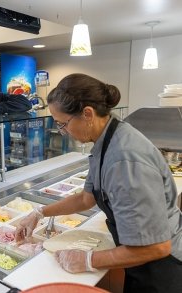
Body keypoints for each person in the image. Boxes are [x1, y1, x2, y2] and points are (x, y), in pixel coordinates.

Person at [15, 73, 182, 293]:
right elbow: (86, 198)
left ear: (87, 114)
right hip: (140, 261)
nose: (63, 133)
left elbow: (157, 248)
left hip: (163, 269)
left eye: (63, 124)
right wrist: (39, 212)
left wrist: (88, 260)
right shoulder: (107, 141)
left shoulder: (124, 159)